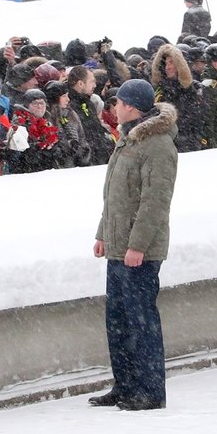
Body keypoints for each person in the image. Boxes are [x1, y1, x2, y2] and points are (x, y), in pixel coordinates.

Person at [90, 79, 178, 412]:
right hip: (118, 245)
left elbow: (155, 201)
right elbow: (114, 196)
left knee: (141, 321)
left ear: (131, 106)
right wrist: (103, 234)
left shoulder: (156, 144)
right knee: (118, 320)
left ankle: (150, 390)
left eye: (118, 102)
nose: (114, 107)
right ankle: (125, 384)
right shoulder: (128, 137)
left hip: (139, 250)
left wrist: (137, 245)